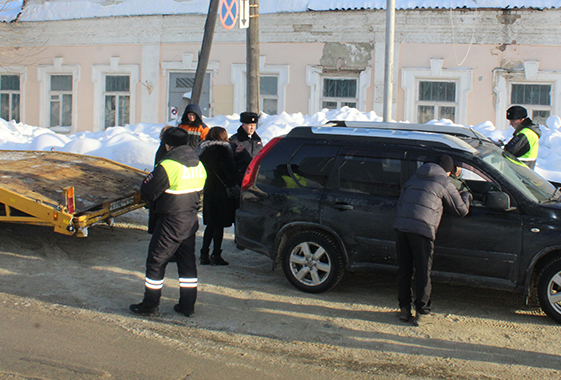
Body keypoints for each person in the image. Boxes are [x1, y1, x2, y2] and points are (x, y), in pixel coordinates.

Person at [130, 127, 207, 317]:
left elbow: (148, 191)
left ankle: (150, 305)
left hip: (171, 220)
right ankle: (187, 305)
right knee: (187, 263)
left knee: (156, 261)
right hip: (190, 219)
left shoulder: (168, 165)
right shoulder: (198, 164)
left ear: (167, 144)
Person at [393, 155, 472, 326]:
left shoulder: (414, 177)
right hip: (422, 229)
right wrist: (466, 196)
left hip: (401, 227)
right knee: (422, 271)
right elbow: (461, 210)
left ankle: (404, 310)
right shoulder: (443, 181)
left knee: (404, 270)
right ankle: (422, 312)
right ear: (448, 170)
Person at [195, 127, 240, 266]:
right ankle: (216, 255)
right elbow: (231, 173)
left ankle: (204, 254)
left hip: (208, 190)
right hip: (221, 193)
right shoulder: (224, 151)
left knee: (210, 224)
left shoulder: (202, 150)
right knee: (218, 225)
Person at [229, 111, 263, 184]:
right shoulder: (235, 140)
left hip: (255, 176)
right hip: (241, 177)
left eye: (253, 125)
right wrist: (237, 153)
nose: (252, 128)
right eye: (249, 125)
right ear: (243, 125)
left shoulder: (257, 140)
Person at [503, 105, 541, 170]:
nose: (511, 124)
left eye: (513, 121)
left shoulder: (525, 133)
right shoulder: (528, 132)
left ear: (522, 120)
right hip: (524, 170)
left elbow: (509, 151)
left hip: (519, 170)